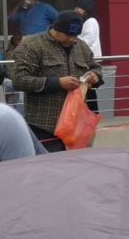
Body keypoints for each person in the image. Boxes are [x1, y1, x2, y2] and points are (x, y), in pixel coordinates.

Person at [11, 11, 102, 152]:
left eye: (76, 35)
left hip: (76, 125)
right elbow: (19, 80)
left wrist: (95, 76)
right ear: (56, 30)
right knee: (49, 168)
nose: (73, 39)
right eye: (69, 35)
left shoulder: (81, 46)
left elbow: (95, 67)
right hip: (44, 126)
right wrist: (57, 83)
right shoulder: (32, 45)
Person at [74, 0, 102, 112]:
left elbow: (87, 40)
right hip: (87, 59)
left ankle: (92, 113)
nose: (75, 10)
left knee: (89, 88)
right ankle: (90, 113)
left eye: (78, 8)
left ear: (85, 9)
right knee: (87, 88)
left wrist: (74, 39)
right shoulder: (85, 22)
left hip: (90, 60)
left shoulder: (90, 22)